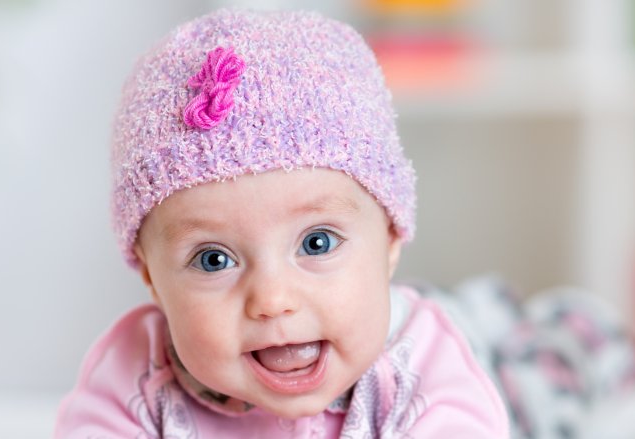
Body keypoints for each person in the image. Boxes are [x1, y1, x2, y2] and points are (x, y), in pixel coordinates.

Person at [54, 8, 510, 438]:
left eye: (316, 243)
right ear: (152, 277)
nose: (272, 300)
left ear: (390, 238)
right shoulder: (138, 371)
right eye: (213, 260)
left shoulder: (420, 357)